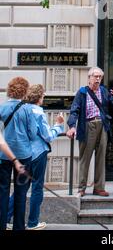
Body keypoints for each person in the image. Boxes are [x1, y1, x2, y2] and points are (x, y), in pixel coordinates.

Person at [7, 84, 64, 231]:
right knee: (37, 187)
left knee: (21, 189)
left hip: (23, 154)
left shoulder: (22, 109)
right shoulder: (38, 112)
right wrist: (58, 126)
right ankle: (32, 222)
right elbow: (47, 136)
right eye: (43, 96)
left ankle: (6, 219)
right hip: (38, 154)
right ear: (39, 97)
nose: (43, 98)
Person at [67, 67, 113, 197]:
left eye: (100, 77)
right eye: (95, 76)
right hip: (87, 125)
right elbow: (74, 110)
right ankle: (81, 188)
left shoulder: (103, 91)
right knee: (85, 158)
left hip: (102, 125)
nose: (98, 79)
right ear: (89, 77)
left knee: (101, 157)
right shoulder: (82, 92)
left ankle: (99, 188)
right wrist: (72, 126)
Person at [0, 77, 37, 231]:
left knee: (2, 193)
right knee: (21, 195)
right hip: (24, 155)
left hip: (3, 156)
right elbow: (33, 134)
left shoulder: (1, 107)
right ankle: (19, 227)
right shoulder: (28, 109)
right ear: (25, 90)